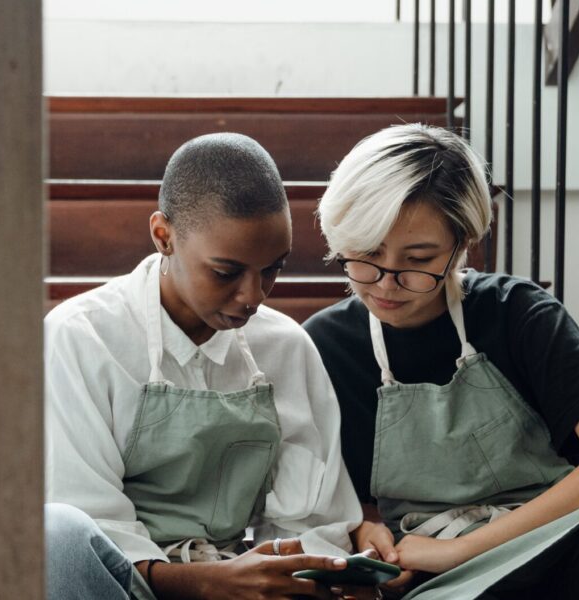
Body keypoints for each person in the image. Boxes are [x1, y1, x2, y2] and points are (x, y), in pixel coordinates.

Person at [303, 123, 579, 599]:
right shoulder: (324, 345)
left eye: (418, 259)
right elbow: (333, 502)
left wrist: (466, 549)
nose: (386, 282)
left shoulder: (517, 313)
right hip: (434, 580)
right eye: (367, 253)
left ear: (461, 246)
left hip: (554, 547)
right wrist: (365, 530)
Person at [45, 132, 378, 600]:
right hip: (122, 590)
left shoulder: (287, 347)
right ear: (163, 236)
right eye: (226, 272)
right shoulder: (80, 336)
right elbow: (88, 530)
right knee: (57, 534)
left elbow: (312, 522)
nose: (253, 296)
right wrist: (208, 584)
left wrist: (286, 573)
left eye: (273, 269)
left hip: (245, 590)